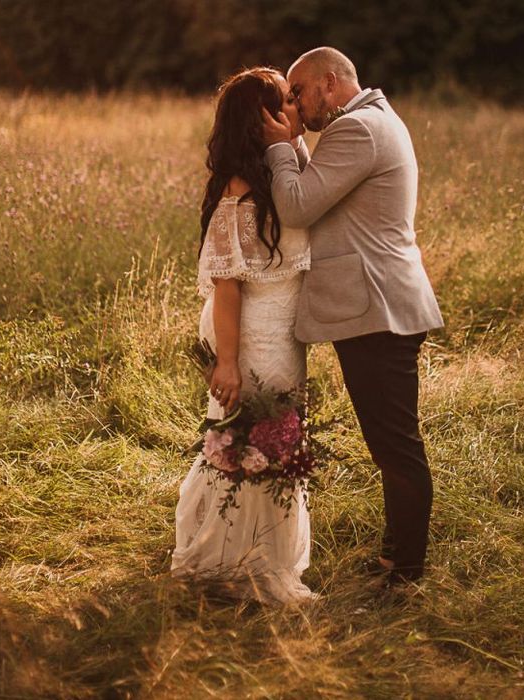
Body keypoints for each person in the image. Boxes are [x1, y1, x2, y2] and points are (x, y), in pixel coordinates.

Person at [261, 47, 444, 587]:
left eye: (298, 93)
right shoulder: (371, 122)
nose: (294, 104)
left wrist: (278, 146)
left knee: (396, 447)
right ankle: (396, 556)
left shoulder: (356, 130)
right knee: (391, 444)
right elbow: (317, 193)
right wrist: (294, 140)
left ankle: (406, 572)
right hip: (380, 308)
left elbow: (296, 206)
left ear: (330, 83)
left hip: (377, 311)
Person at [170, 67, 317, 605]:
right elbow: (229, 288)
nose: (296, 105)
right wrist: (226, 363)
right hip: (251, 333)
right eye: (285, 100)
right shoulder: (240, 189)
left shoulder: (290, 169)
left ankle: (264, 556)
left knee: (277, 439)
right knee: (247, 439)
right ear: (262, 119)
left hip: (286, 333)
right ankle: (228, 561)